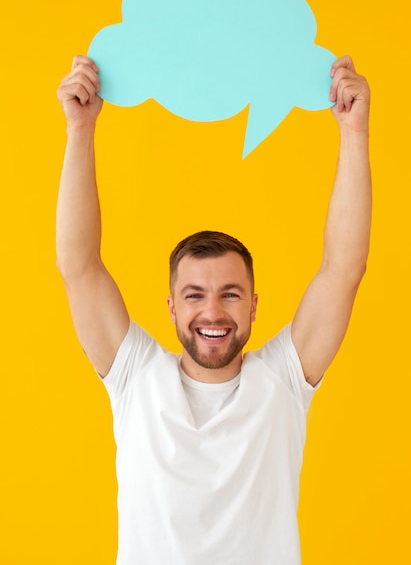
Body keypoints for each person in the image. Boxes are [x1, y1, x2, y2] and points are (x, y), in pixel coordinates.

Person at [56, 55, 371, 565]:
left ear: (253, 305)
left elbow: (343, 270)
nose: (213, 312)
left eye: (229, 293)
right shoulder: (135, 377)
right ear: (172, 308)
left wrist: (354, 133)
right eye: (195, 295)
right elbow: (79, 265)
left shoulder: (284, 381)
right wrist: (80, 128)